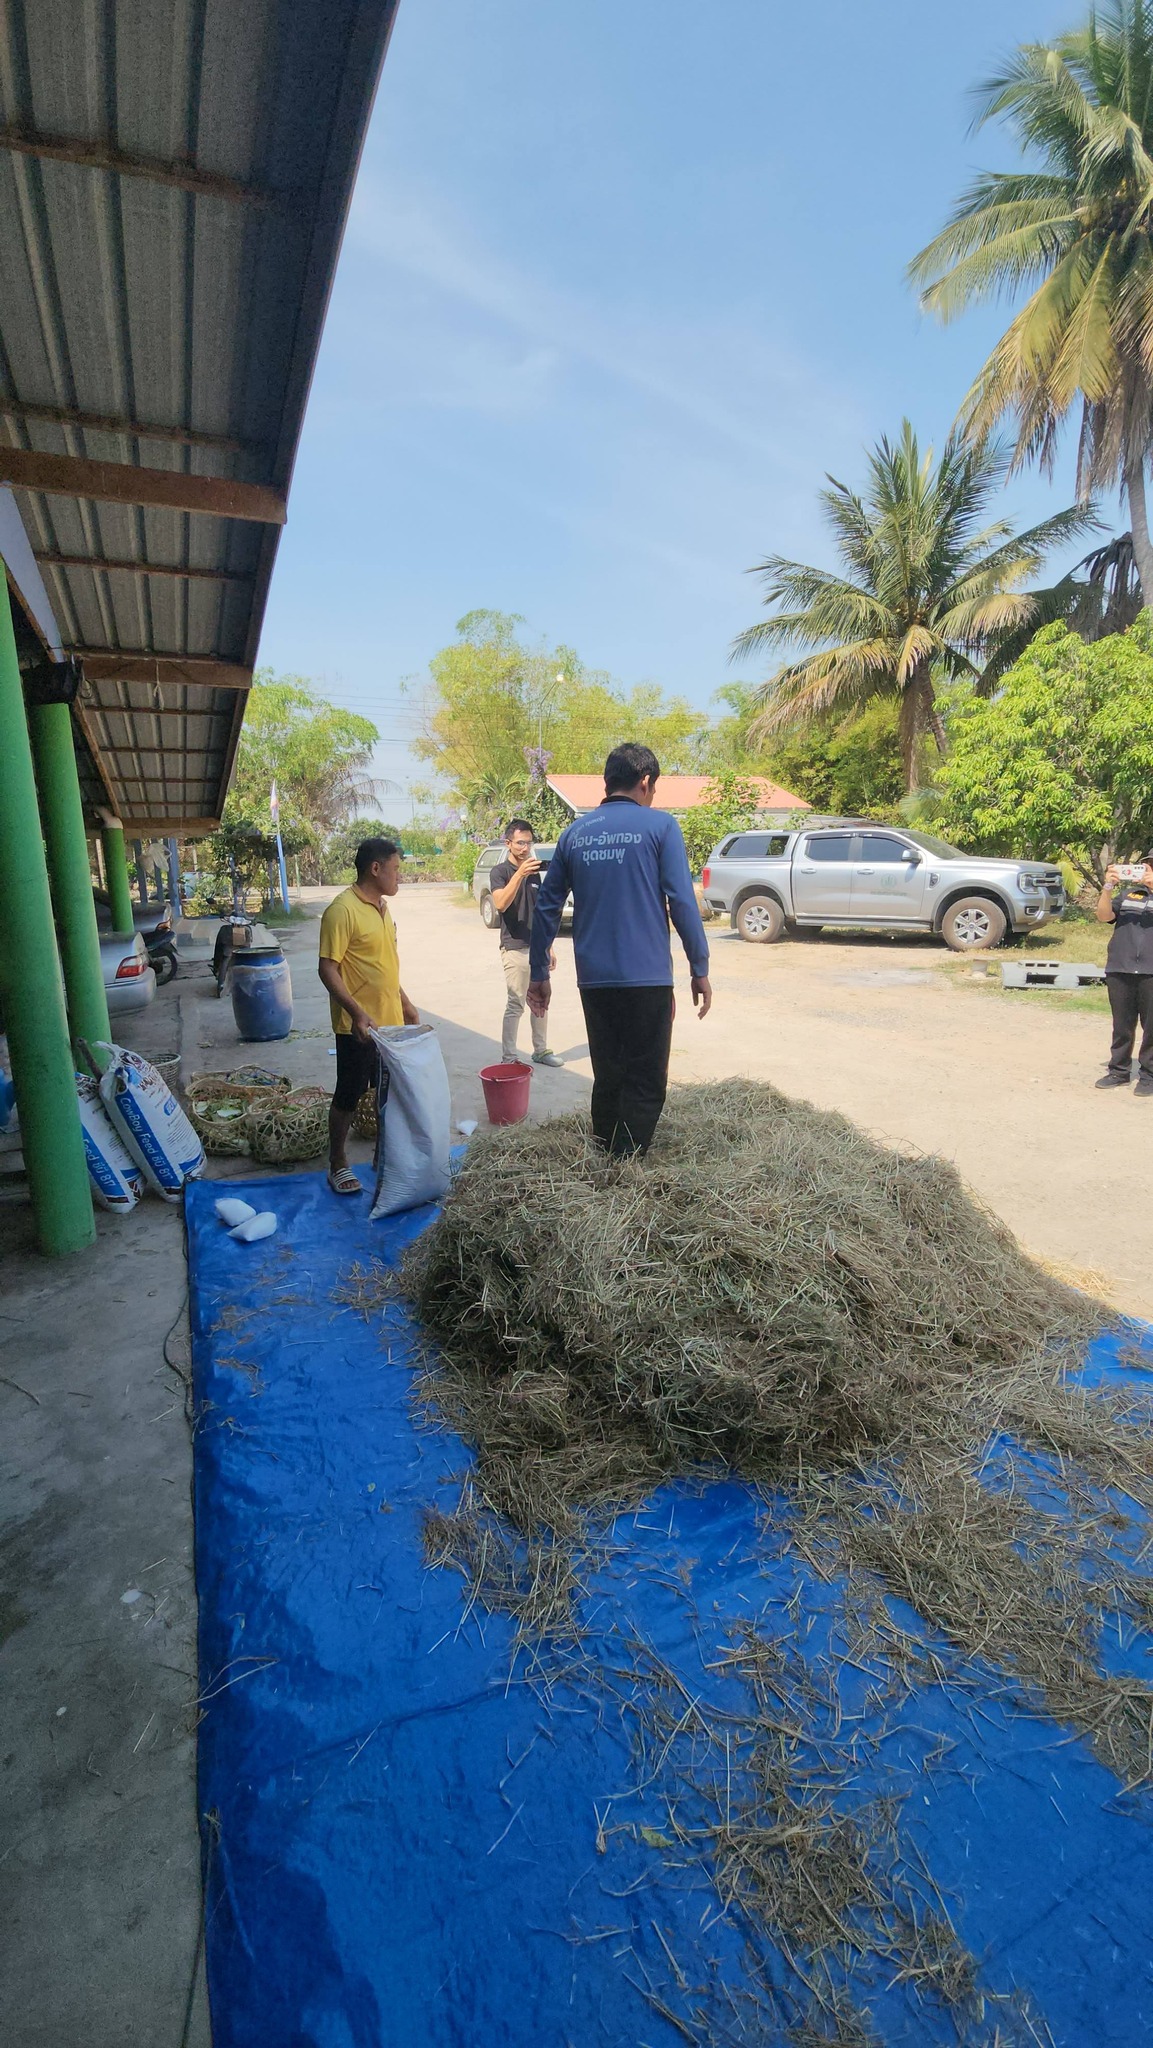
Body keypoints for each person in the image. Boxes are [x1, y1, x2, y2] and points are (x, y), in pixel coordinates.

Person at [527, 742, 712, 1157]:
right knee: (645, 1076)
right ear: (645, 782)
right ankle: (626, 1161)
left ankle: (605, 1150)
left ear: (607, 782)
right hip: (647, 978)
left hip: (594, 979)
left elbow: (546, 908)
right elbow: (682, 901)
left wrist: (539, 973)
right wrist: (699, 966)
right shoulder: (661, 827)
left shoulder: (574, 834)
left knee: (608, 1073)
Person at [318, 837, 419, 1193]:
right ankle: (337, 1163)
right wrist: (357, 1013)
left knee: (386, 1093)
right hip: (358, 1027)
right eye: (395, 870)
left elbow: (384, 964)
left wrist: (404, 1002)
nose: (399, 877)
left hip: (388, 1023)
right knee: (349, 1092)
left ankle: (384, 1155)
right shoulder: (341, 910)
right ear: (375, 869)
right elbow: (327, 968)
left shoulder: (382, 908)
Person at [488, 819, 562, 1068]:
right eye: (520, 843)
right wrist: (519, 874)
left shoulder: (534, 873)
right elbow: (500, 904)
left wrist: (548, 946)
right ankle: (509, 1058)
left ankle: (540, 1050)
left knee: (540, 1000)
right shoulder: (500, 872)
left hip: (537, 948)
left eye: (529, 843)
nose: (525, 848)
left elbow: (540, 911)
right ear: (508, 843)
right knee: (516, 1002)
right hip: (514, 947)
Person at [1095, 854, 1153, 1095]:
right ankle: (1118, 1071)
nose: (1148, 869)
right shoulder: (1129, 894)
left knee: (1151, 1027)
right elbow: (1104, 916)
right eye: (1148, 864)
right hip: (1120, 966)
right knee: (1122, 1025)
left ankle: (1149, 1076)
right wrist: (1108, 887)